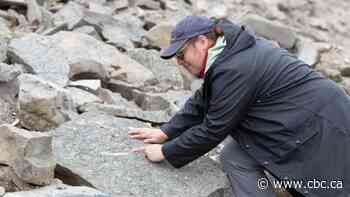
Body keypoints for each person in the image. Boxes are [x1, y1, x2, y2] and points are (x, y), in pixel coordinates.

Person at [128, 15, 350, 197]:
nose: (179, 61)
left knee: (323, 187)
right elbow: (204, 99)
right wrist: (166, 131)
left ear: (202, 42)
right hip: (297, 119)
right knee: (235, 156)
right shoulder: (231, 52)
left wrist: (165, 152)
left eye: (181, 53)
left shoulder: (235, 67)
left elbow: (213, 129)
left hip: (322, 127)